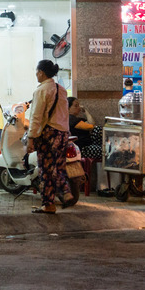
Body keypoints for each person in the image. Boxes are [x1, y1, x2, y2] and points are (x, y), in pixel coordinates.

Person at [27, 59, 71, 214]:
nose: (36, 75)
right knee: (58, 166)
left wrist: (31, 137)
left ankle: (48, 204)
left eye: (36, 72)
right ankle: (65, 190)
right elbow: (64, 113)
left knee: (46, 169)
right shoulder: (61, 89)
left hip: (48, 134)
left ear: (41, 72)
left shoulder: (41, 91)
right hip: (63, 132)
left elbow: (36, 117)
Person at [67, 96, 102, 161]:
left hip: (87, 145)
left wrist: (85, 111)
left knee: (98, 129)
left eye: (79, 105)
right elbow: (91, 126)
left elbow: (92, 123)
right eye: (76, 106)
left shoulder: (77, 119)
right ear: (68, 108)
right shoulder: (70, 119)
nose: (79, 108)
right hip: (82, 148)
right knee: (105, 151)